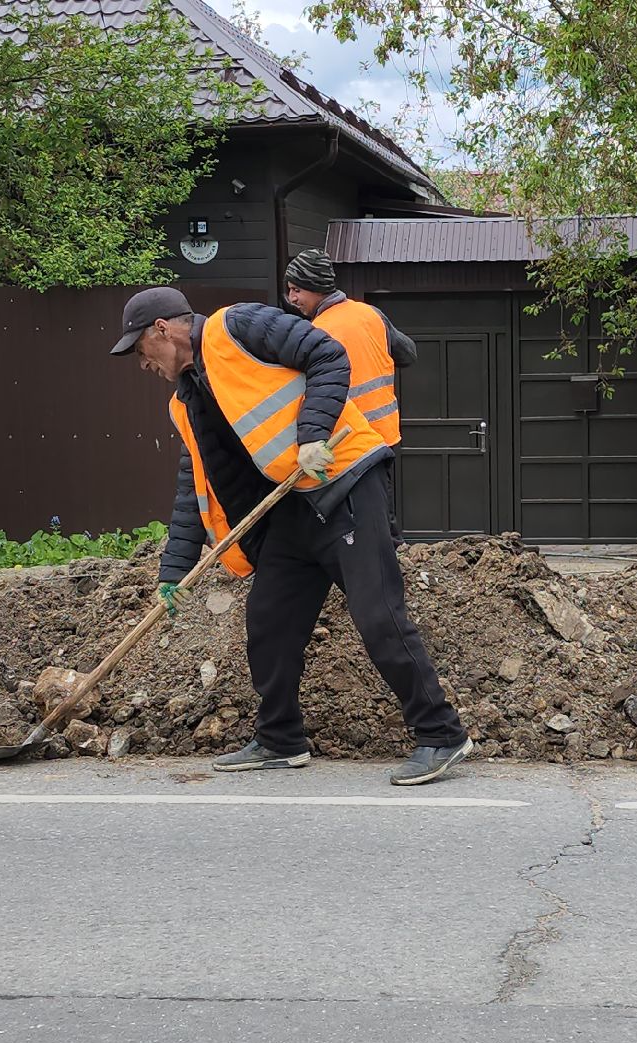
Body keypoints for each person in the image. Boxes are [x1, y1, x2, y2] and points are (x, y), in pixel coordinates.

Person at [109, 286, 472, 786]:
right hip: (290, 511)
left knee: (378, 615)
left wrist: (312, 437)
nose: (141, 363)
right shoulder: (188, 400)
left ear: (162, 330)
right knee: (269, 621)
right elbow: (193, 484)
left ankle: (441, 734)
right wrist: (173, 571)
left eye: (140, 349)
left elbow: (328, 354)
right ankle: (280, 739)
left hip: (342, 482)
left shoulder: (237, 325)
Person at [282, 248, 413, 541]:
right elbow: (407, 354)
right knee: (380, 514)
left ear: (316, 287)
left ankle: (382, 576)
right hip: (386, 434)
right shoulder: (370, 314)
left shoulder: (316, 332)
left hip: (350, 442)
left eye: (296, 290)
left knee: (363, 524)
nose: (292, 299)